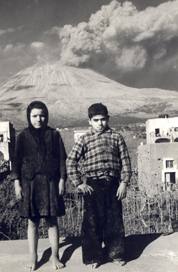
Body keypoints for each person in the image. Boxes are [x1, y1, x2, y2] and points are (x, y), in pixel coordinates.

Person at [66, 103, 131, 269]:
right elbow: (70, 161)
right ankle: (93, 257)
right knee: (92, 222)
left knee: (114, 219)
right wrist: (79, 183)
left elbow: (125, 162)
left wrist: (123, 183)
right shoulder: (84, 139)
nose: (100, 123)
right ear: (90, 121)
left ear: (108, 119)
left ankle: (116, 254)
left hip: (113, 185)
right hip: (93, 185)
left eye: (103, 119)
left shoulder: (117, 138)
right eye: (96, 120)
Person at [11, 101, 67, 271]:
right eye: (34, 116)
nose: (39, 119)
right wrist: (16, 183)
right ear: (29, 117)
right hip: (30, 184)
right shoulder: (22, 137)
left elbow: (62, 159)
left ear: (46, 115)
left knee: (52, 221)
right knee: (32, 222)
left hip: (51, 183)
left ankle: (55, 256)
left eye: (42, 115)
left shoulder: (54, 135)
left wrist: (62, 180)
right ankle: (33, 257)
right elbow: (16, 161)